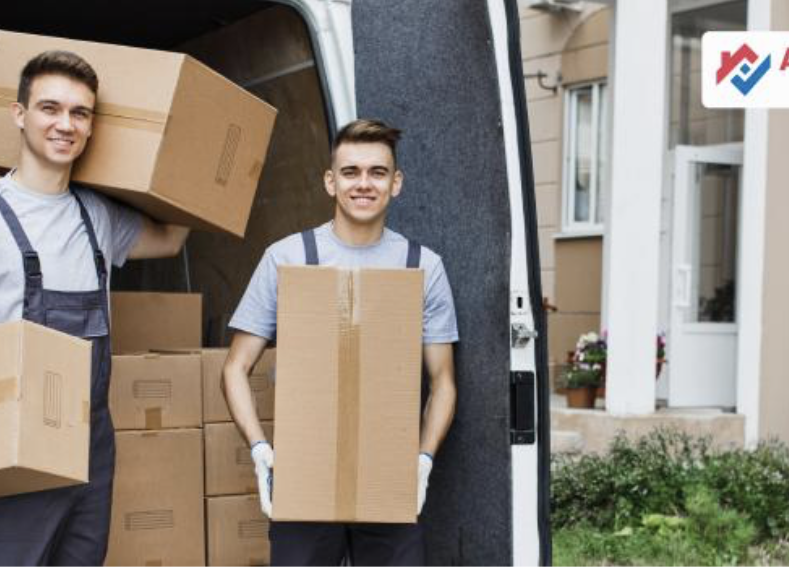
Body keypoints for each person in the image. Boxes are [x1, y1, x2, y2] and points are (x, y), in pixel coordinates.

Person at [223, 118, 458, 566]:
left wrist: (423, 458)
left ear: (397, 182)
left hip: (387, 476)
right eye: (350, 172)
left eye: (377, 172)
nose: (363, 184)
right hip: (304, 474)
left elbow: (443, 380)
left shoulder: (422, 266)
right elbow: (235, 367)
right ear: (331, 182)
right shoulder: (287, 258)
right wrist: (260, 449)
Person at [0, 50, 190, 565]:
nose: (66, 125)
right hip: (16, 437)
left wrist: (190, 150)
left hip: (92, 438)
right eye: (50, 108)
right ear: (19, 114)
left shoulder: (97, 215)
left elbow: (170, 238)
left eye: (80, 113)